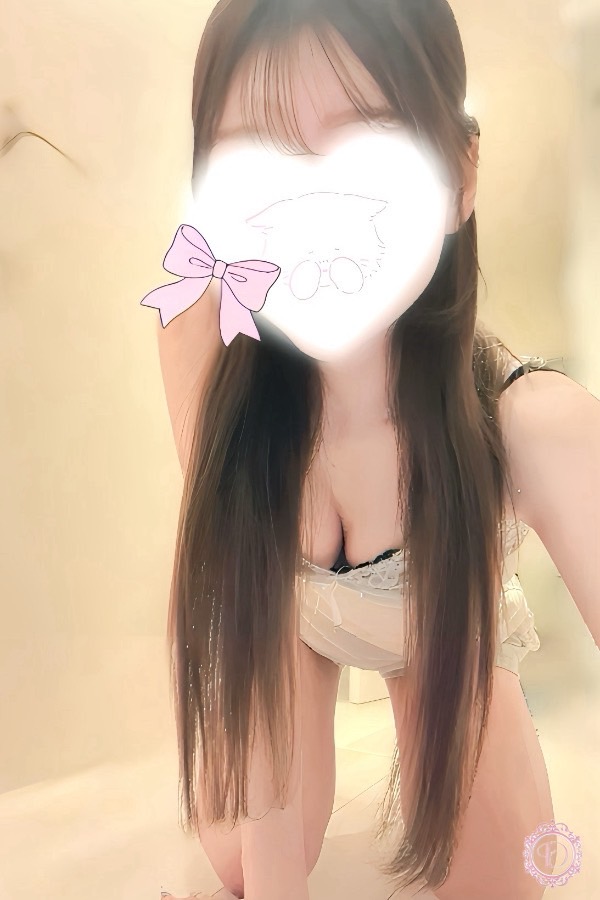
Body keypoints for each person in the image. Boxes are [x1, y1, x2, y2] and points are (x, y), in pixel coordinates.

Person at [151, 1, 566, 897]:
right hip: (289, 625)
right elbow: (240, 586)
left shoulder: (530, 421)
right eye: (257, 160)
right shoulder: (197, 333)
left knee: (506, 880)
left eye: (370, 146)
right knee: (239, 862)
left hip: (445, 628)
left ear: (459, 174)